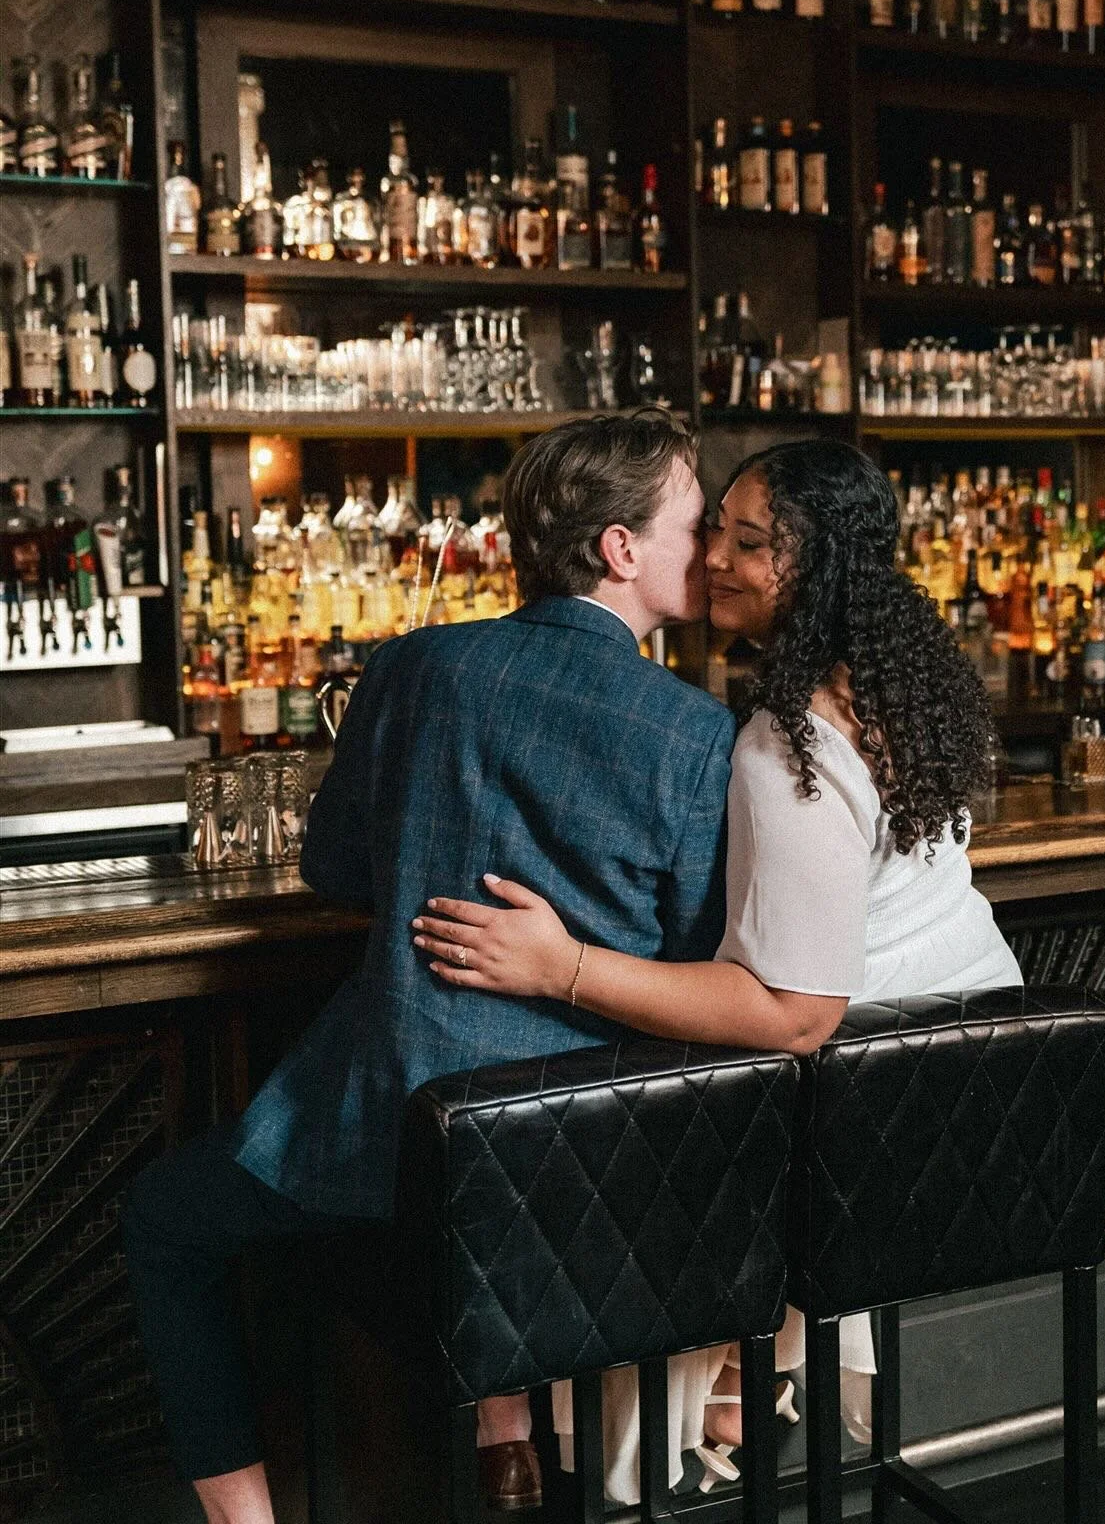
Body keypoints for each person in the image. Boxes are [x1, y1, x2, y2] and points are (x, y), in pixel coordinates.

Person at [121, 411, 736, 1524]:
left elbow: (336, 864)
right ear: (621, 548)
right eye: (695, 525)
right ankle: (509, 1418)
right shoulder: (698, 733)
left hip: (396, 1143)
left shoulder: (414, 664)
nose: (713, 549)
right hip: (594, 1173)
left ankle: (255, 1517)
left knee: (166, 1221)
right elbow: (704, 965)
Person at [411, 439, 1024, 1502]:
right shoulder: (892, 683)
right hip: (981, 1081)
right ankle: (727, 1423)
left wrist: (562, 965)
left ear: (817, 567)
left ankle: (636, 1464)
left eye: (749, 541)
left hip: (893, 1118)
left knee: (611, 1162)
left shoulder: (787, 743)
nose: (716, 558)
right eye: (713, 531)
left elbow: (793, 1014)